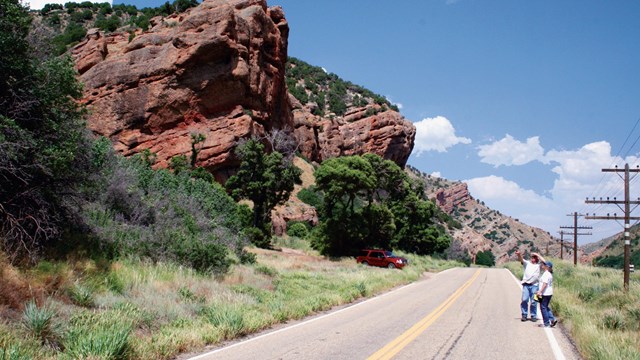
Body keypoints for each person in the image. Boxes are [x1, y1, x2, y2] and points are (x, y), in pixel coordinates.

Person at [515, 250, 546, 322]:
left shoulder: (539, 266)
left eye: (535, 257)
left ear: (537, 259)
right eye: (532, 257)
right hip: (526, 285)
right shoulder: (527, 263)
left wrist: (537, 254)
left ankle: (533, 315)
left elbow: (545, 262)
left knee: (534, 301)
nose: (533, 259)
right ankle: (524, 314)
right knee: (524, 299)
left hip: (534, 286)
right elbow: (521, 259)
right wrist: (519, 254)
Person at [536, 261, 558, 328]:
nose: (543, 265)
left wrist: (540, 291)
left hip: (545, 293)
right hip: (549, 293)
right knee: (545, 306)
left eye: (544, 264)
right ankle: (552, 319)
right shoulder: (549, 274)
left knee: (543, 307)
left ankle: (546, 323)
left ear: (547, 267)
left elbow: (544, 284)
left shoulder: (546, 274)